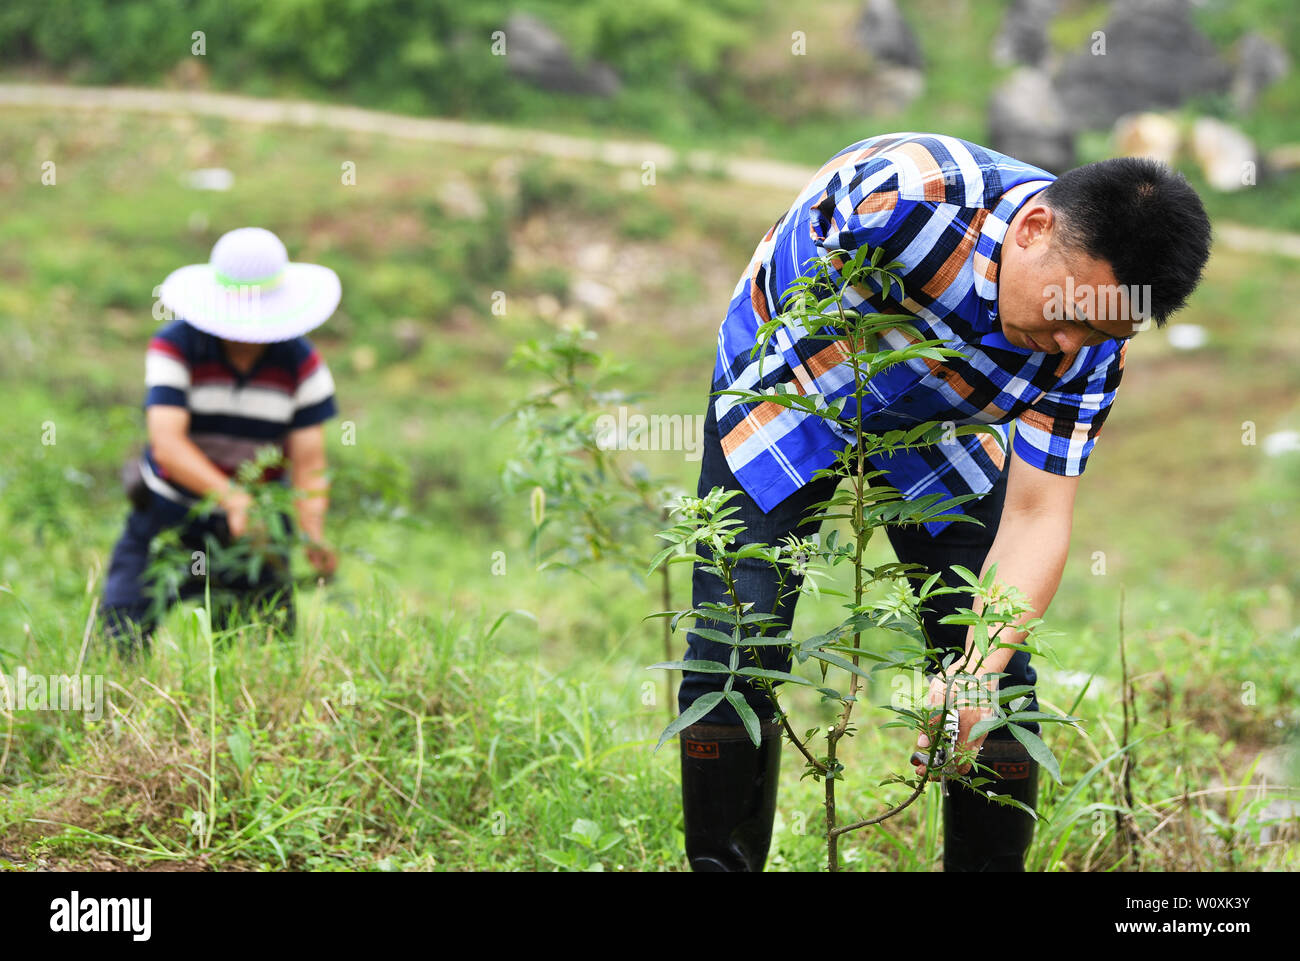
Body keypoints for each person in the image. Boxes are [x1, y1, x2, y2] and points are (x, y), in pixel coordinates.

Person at [678, 132, 1211, 871]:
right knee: (738, 639)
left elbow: (1037, 514)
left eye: (1098, 329)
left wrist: (976, 669)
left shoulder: (1092, 346)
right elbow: (805, 248)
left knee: (996, 674)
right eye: (1066, 312)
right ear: (1033, 229)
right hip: (799, 373)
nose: (1067, 342)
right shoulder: (905, 200)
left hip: (948, 416)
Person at [101, 227, 342, 653]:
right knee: (121, 634)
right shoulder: (176, 346)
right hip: (168, 513)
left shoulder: (301, 363)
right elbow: (168, 445)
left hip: (255, 530)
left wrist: (313, 532)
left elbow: (308, 463)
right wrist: (231, 497)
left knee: (259, 649)